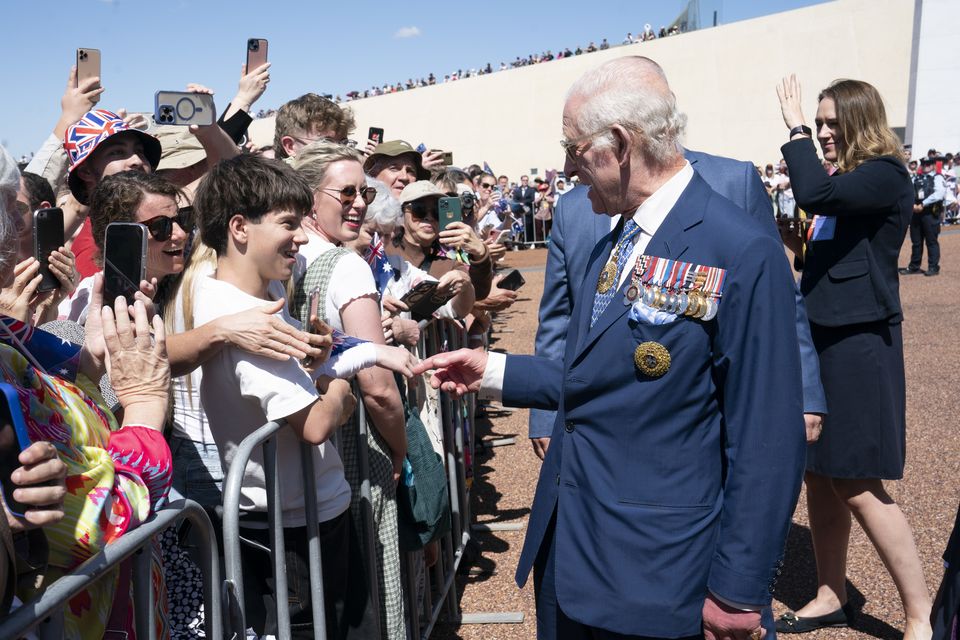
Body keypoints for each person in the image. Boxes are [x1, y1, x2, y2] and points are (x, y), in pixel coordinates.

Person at [414, 56, 806, 640]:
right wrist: (492, 368)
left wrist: (738, 590)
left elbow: (767, 436)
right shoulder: (617, 238)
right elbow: (600, 373)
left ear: (620, 144)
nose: (566, 167)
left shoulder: (739, 248)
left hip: (657, 567)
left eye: (573, 149)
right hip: (573, 545)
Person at [529, 59, 827, 498]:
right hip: (606, 430)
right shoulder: (576, 209)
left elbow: (782, 301)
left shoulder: (731, 181)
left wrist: (804, 391)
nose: (571, 167)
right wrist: (544, 412)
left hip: (709, 409)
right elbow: (559, 316)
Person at [192, 154, 386, 639]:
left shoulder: (254, 295)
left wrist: (323, 369)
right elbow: (316, 423)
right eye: (288, 223)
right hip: (293, 529)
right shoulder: (242, 313)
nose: (301, 236)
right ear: (239, 227)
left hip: (300, 515)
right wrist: (339, 384)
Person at [775, 75, 932, 639]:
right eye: (816, 124)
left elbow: (816, 195)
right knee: (820, 474)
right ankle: (829, 593)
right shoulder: (847, 180)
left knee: (859, 482)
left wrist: (791, 130)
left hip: (859, 344)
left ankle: (920, 617)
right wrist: (792, 242)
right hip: (821, 339)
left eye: (830, 123)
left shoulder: (885, 174)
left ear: (861, 122)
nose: (821, 133)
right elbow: (832, 243)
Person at [900, 157, 945, 276]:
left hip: (930, 213)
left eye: (928, 164)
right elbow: (908, 191)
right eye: (924, 164)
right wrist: (913, 205)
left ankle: (933, 267)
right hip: (916, 212)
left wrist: (923, 204)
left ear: (933, 165)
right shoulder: (916, 177)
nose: (926, 166)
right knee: (916, 242)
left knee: (931, 241)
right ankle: (914, 266)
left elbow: (939, 194)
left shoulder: (938, 177)